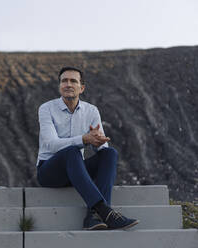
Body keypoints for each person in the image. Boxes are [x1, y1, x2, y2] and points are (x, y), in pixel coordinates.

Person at [36, 66, 140, 230]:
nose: (68, 84)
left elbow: (101, 147)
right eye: (64, 81)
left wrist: (98, 142)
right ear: (59, 86)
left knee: (109, 153)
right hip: (49, 172)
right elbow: (51, 144)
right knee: (72, 151)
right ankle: (105, 211)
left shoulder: (91, 111)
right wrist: (84, 139)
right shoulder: (46, 109)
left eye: (73, 81)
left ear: (81, 88)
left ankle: (92, 217)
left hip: (76, 170)